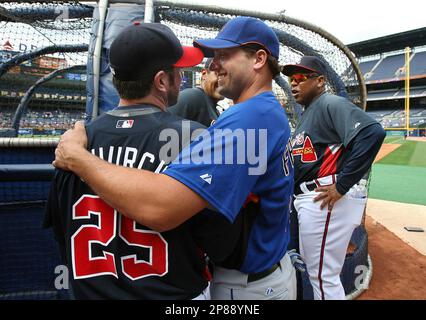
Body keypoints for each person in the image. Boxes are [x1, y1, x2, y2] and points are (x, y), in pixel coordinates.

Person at [53, 16, 296, 300]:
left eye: (223, 55)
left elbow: (162, 209)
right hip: (245, 277)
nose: (212, 65)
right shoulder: (253, 113)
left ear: (258, 59)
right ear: (161, 80)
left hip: (250, 286)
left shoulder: (253, 115)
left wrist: (79, 159)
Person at [44, 22, 218, 299]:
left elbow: (62, 233)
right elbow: (216, 238)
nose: (182, 77)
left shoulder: (73, 145)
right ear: (161, 81)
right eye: (178, 70)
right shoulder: (193, 137)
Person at [282, 55, 386, 300]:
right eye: (291, 79)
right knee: (321, 274)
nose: (294, 84)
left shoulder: (329, 103)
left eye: (300, 78)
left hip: (326, 197)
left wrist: (341, 185)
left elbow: (372, 133)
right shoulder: (309, 113)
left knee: (323, 277)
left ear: (319, 81)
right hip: (315, 200)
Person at [168, 58, 223, 127]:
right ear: (204, 74)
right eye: (218, 74)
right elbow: (160, 128)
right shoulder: (192, 97)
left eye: (226, 75)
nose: (222, 80)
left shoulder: (213, 107)